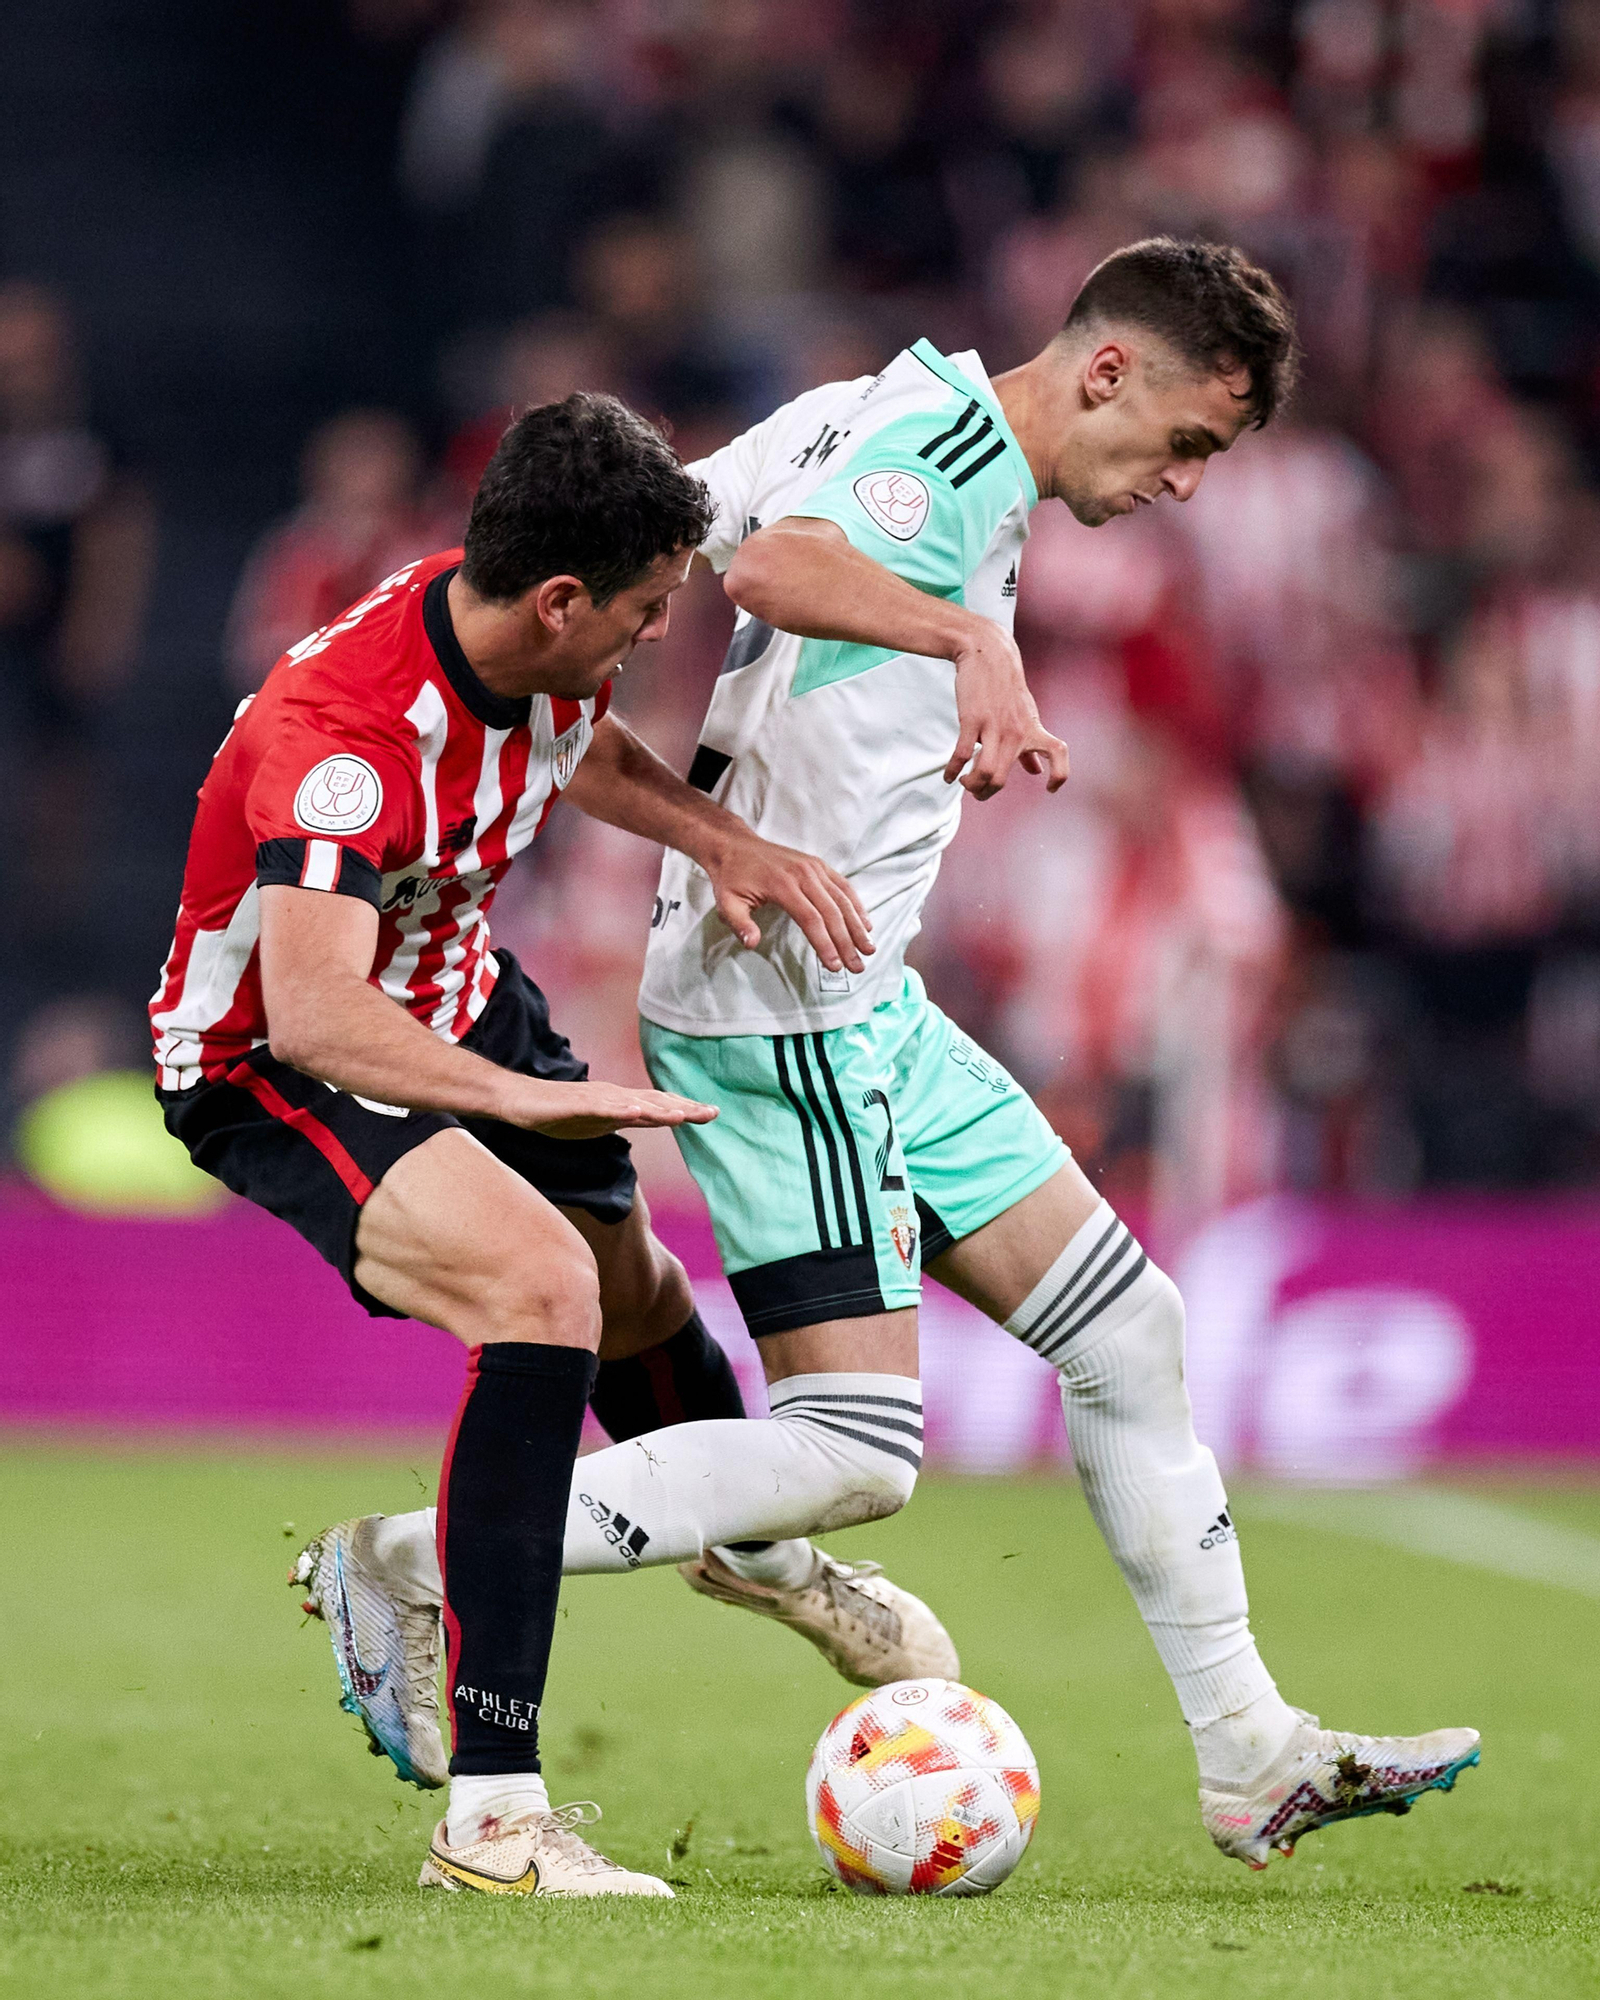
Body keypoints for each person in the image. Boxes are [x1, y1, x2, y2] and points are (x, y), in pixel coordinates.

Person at [324, 239, 1481, 1870]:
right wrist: (973, 645)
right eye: (1183, 446)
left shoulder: (867, 408)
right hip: (778, 1008)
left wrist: (703, 805)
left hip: (868, 1004)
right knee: (856, 1458)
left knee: (1132, 1335)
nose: (1183, 487)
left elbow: (682, 530)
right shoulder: (926, 462)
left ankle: (1252, 1755)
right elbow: (776, 571)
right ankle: (417, 1557)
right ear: (1103, 374)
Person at [152, 393, 946, 1900]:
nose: (657, 638)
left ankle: (756, 1551)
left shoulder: (541, 642)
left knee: (642, 1299)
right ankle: (494, 1822)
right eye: (646, 613)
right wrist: (518, 1110)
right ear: (564, 596)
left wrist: (726, 841)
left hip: (460, 997)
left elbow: (576, 747)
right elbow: (318, 1012)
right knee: (544, 1295)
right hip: (284, 1058)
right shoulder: (343, 742)